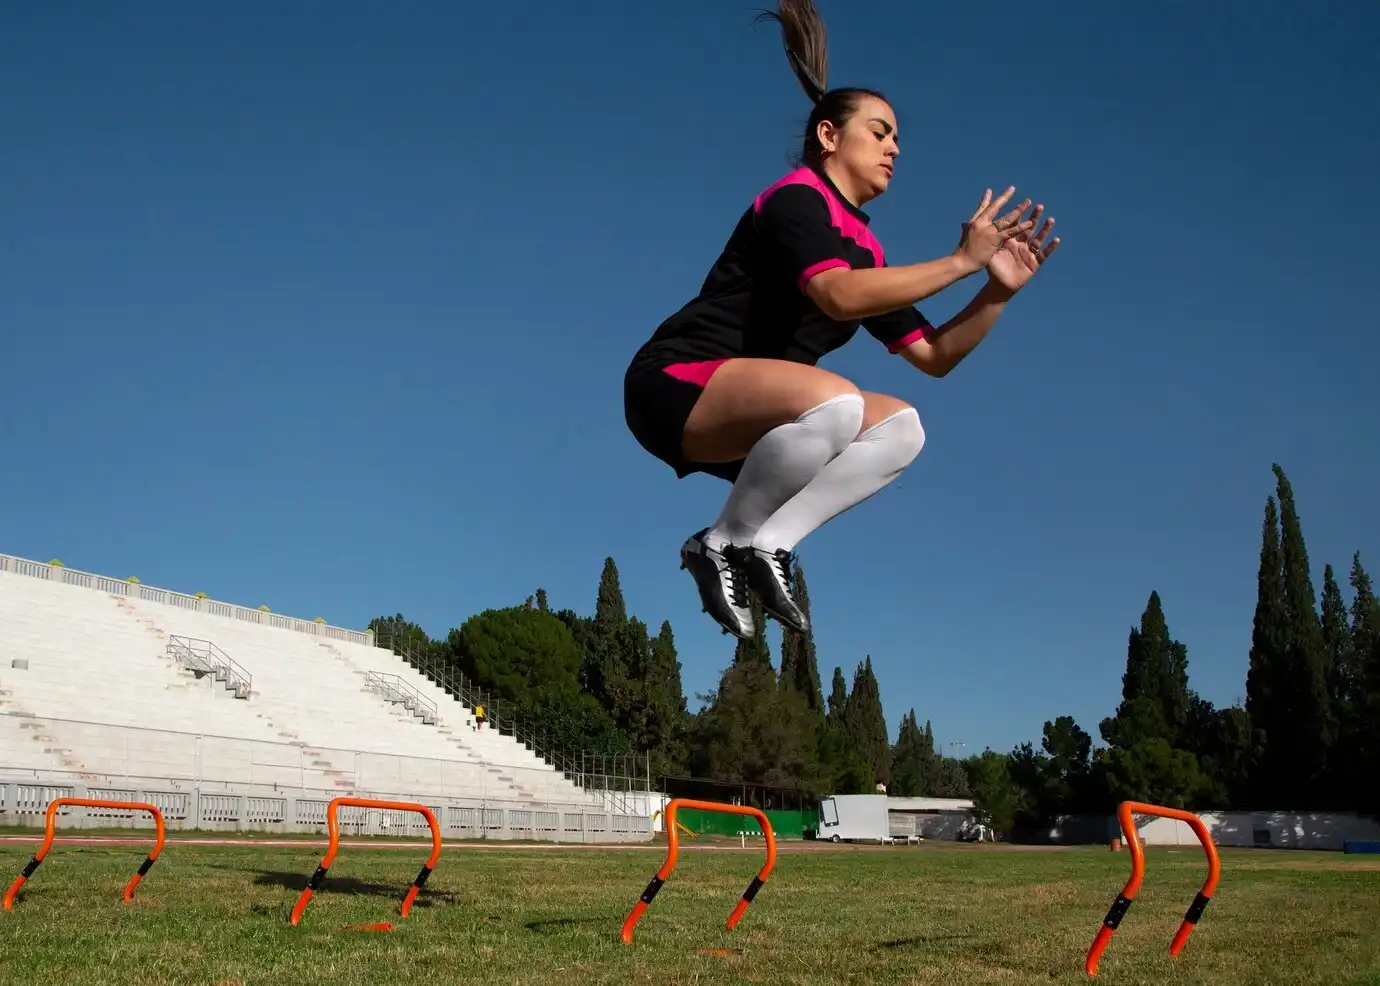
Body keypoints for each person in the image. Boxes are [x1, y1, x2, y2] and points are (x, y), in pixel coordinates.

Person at [623, 0, 1060, 640]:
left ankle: (762, 544)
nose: (895, 148)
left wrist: (997, 290)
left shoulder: (867, 251)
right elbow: (837, 296)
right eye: (880, 132)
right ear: (830, 136)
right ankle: (721, 543)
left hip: (763, 418)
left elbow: (935, 358)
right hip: (676, 385)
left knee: (902, 429)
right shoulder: (796, 198)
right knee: (839, 402)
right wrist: (961, 260)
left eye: (897, 138)